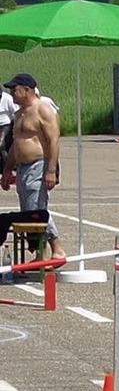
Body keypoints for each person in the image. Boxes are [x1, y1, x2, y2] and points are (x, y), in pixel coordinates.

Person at [0, 73, 65, 260]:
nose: (11, 92)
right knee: (28, 212)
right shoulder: (19, 113)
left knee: (37, 210)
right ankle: (39, 252)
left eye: (15, 89)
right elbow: (15, 144)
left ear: (27, 90)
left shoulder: (43, 110)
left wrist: (51, 170)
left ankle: (57, 248)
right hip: (22, 168)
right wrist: (7, 169)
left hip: (39, 165)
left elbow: (54, 140)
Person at [0, 86, 16, 171]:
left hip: (5, 125)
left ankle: (6, 169)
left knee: (1, 145)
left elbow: (15, 112)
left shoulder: (7, 98)